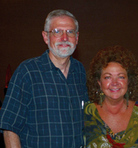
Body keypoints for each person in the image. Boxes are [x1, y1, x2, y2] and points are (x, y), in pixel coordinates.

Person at [0, 9, 88, 147]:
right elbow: (10, 127)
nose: (64, 38)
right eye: (57, 32)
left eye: (70, 32)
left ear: (77, 38)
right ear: (46, 37)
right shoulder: (28, 72)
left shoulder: (80, 72)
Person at [84, 45, 138, 147]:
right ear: (99, 83)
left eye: (121, 77)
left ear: (128, 81)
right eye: (108, 77)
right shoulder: (86, 114)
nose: (115, 83)